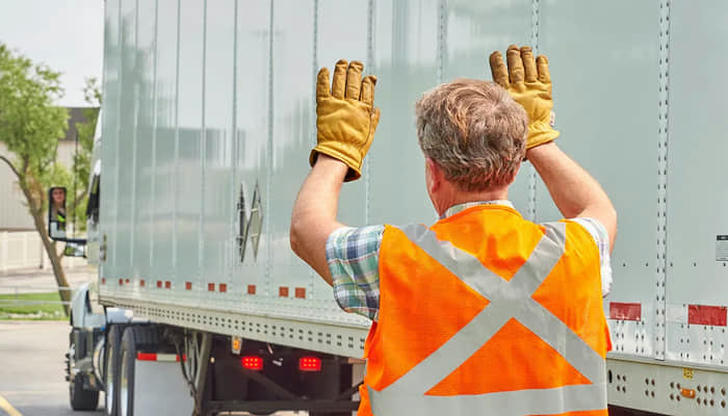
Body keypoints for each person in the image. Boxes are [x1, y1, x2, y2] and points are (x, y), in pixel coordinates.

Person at [290, 45, 616, 416]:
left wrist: (337, 151)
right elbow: (598, 208)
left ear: (434, 173)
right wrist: (539, 139)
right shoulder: (577, 252)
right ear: (514, 168)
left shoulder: (390, 259)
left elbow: (306, 229)